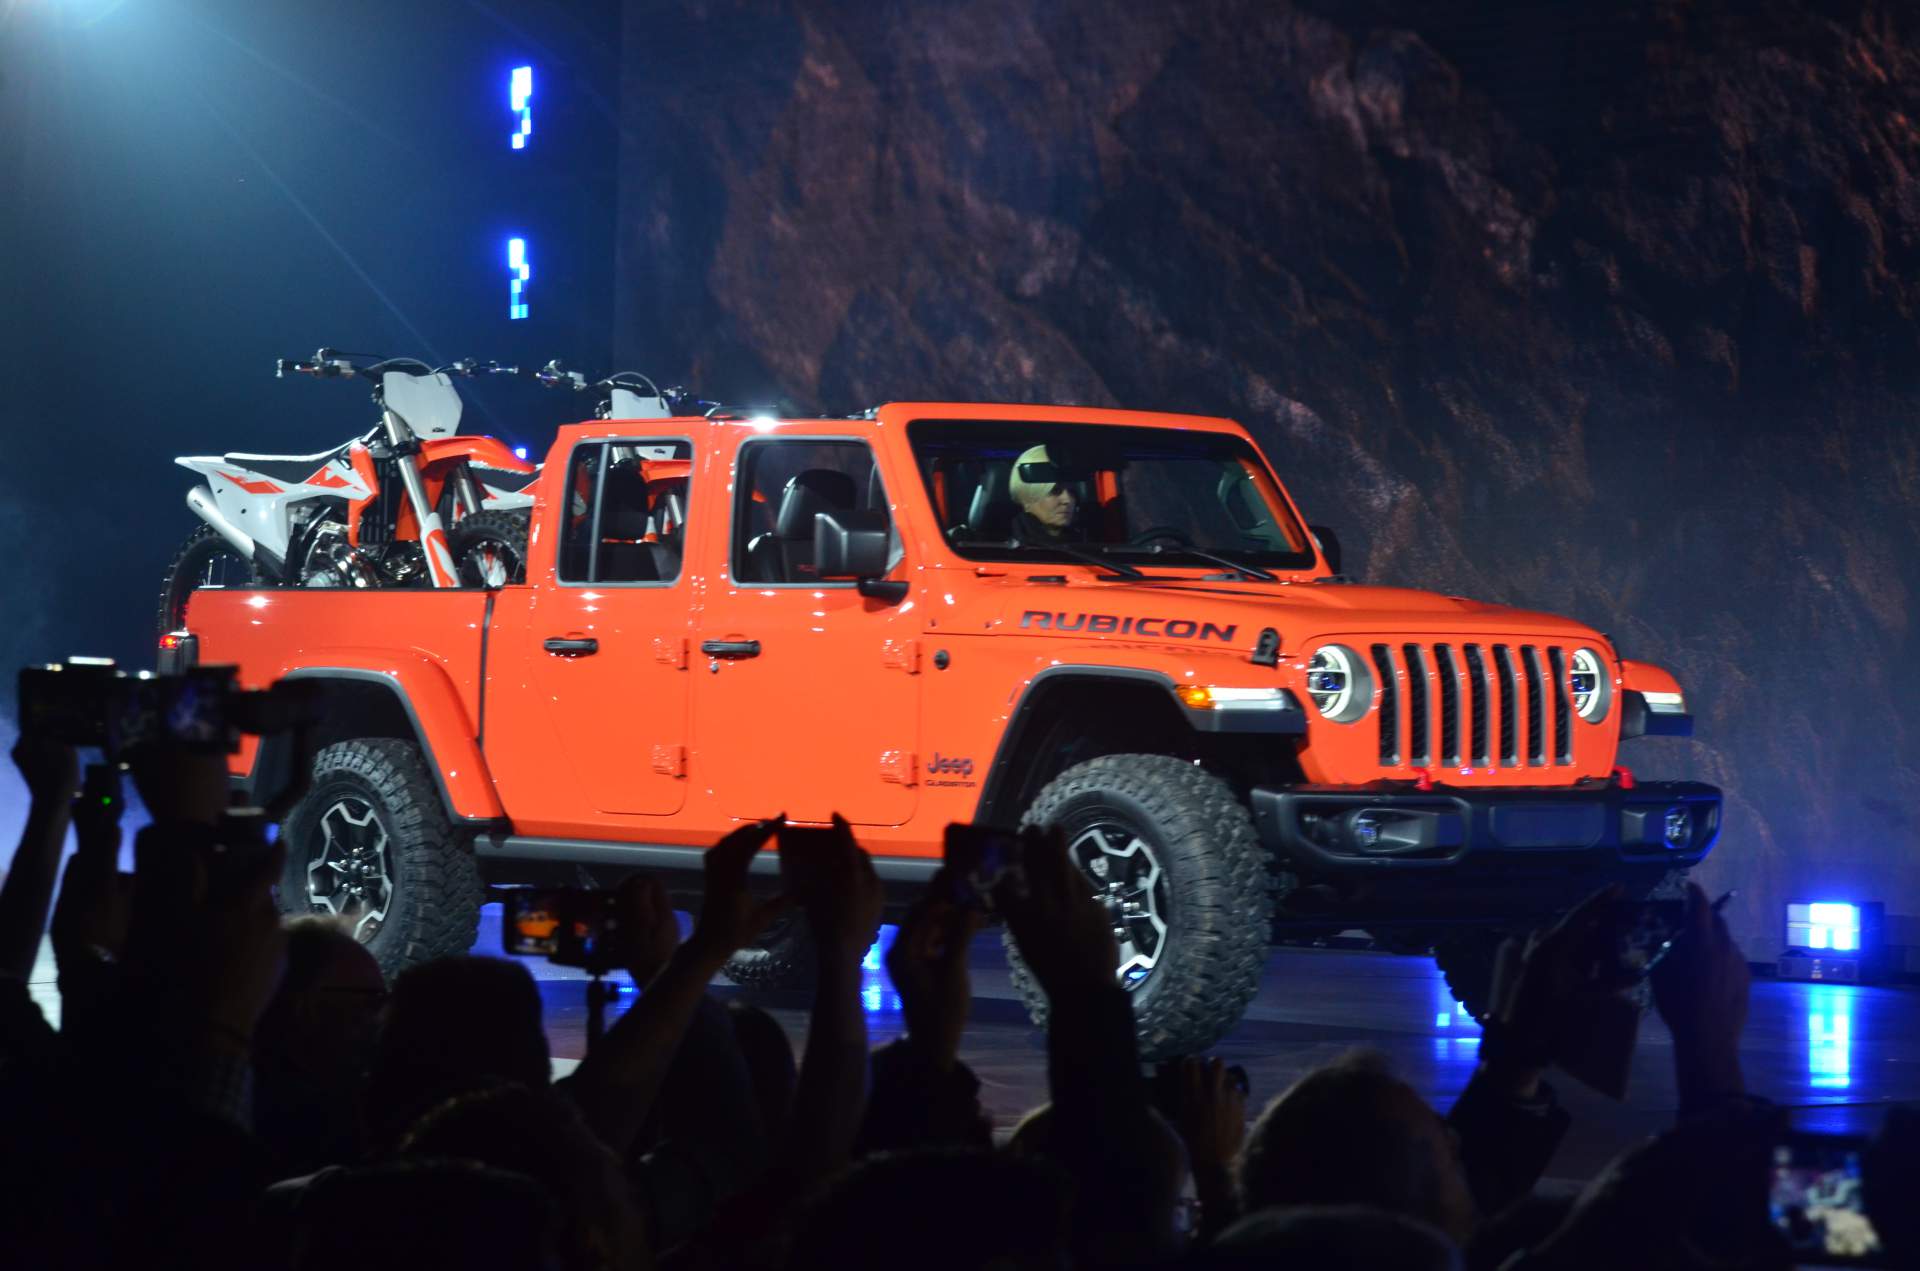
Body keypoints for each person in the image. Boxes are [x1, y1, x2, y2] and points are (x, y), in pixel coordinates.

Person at [1008, 445, 1082, 543]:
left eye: (1072, 491)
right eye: (1054, 491)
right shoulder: (997, 547)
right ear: (1027, 497)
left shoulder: (1090, 545)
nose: (1067, 500)